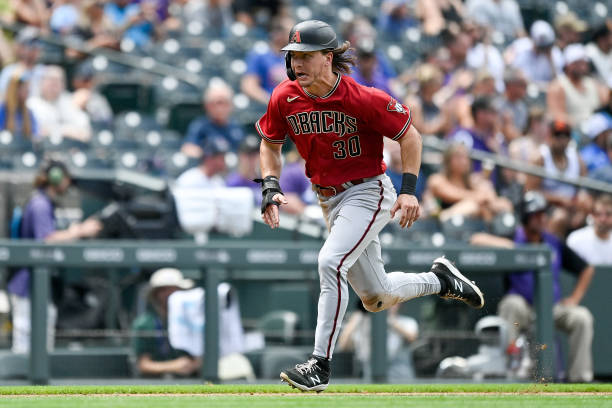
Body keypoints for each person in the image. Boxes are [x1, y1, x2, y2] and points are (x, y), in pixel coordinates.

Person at [255, 19, 484, 392]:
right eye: (293, 56)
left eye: (305, 56)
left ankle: (319, 365)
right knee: (377, 297)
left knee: (330, 261)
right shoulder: (285, 96)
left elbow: (410, 135)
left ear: (328, 58)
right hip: (328, 199)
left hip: (367, 191)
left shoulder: (362, 97)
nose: (297, 63)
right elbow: (269, 143)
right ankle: (440, 279)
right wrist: (270, 184)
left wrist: (409, 190)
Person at [470, 191, 595, 383]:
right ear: (526, 217)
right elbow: (477, 239)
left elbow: (587, 268)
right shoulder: (514, 235)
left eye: (542, 214)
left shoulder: (553, 242)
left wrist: (574, 298)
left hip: (552, 308)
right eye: (536, 215)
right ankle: (509, 369)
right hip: (524, 308)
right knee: (512, 304)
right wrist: (511, 247)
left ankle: (579, 379)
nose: (541, 219)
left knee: (582, 317)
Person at [7, 159, 102, 353]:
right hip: (29, 282)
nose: (68, 182)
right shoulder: (40, 203)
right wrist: (79, 231)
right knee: (26, 340)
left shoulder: (44, 202)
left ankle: (37, 382)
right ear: (56, 177)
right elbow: (47, 239)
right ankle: (25, 382)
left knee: (41, 338)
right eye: (66, 177)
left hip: (38, 282)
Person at [131, 268, 200, 377]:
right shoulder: (144, 324)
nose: (169, 294)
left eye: (174, 289)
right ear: (155, 295)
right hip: (153, 386)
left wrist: (194, 364)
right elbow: (142, 365)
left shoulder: (194, 321)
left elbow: (202, 358)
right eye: (164, 290)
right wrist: (173, 366)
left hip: (191, 381)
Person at [422, 143, 512, 221]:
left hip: (469, 229)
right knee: (471, 205)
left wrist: (488, 194)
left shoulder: (473, 182)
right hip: (438, 224)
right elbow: (453, 195)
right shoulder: (437, 180)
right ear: (448, 160)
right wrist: (480, 196)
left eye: (466, 157)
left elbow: (495, 202)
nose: (464, 161)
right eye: (458, 157)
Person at [337, 300, 418, 379]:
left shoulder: (407, 322)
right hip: (370, 374)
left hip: (400, 375)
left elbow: (412, 337)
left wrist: (387, 319)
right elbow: (343, 346)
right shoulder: (364, 323)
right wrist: (355, 319)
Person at [547, 43, 609, 128]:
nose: (582, 67)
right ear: (568, 64)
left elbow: (606, 103)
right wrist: (583, 125)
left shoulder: (594, 84)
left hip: (598, 132)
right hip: (574, 132)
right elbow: (556, 115)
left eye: (584, 63)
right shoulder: (558, 86)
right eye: (577, 63)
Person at [28, 65, 92, 143]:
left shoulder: (69, 101)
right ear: (41, 82)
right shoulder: (32, 104)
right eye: (50, 80)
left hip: (69, 148)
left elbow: (85, 130)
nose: (53, 85)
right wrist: (67, 131)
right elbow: (39, 131)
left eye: (58, 81)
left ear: (63, 84)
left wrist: (57, 131)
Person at [181, 80, 245, 158]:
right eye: (217, 103)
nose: (221, 108)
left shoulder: (236, 127)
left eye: (225, 103)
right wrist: (210, 155)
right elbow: (188, 148)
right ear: (207, 105)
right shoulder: (200, 125)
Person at [241, 16, 294, 106]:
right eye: (291, 33)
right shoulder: (260, 55)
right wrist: (271, 101)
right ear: (278, 34)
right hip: (268, 107)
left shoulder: (295, 56)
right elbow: (249, 86)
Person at [567, 194, 612, 265]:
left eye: (608, 214)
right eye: (598, 214)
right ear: (592, 215)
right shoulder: (576, 239)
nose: (603, 219)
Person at [0, 73, 39, 143]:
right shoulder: (3, 110)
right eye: (24, 88)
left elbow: (35, 135)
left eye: (28, 88)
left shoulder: (28, 112)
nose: (27, 91)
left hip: (24, 150)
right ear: (14, 89)